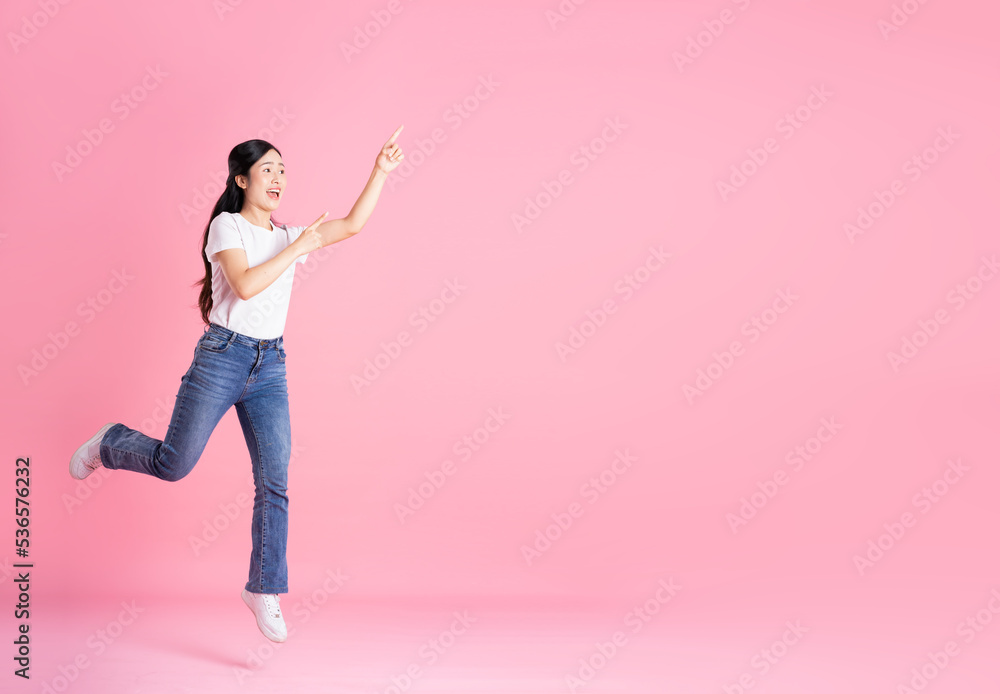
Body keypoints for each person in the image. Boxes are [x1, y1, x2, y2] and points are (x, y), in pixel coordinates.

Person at [68, 126, 405, 642]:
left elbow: (353, 225)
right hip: (222, 357)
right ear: (242, 180)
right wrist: (299, 249)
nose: (278, 177)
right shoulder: (227, 227)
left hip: (271, 365)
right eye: (267, 169)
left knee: (276, 477)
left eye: (283, 168)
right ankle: (110, 441)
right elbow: (245, 286)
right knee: (174, 464)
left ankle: (263, 587)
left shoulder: (290, 234)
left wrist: (379, 171)